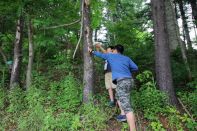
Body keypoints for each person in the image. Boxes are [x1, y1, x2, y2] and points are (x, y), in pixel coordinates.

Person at [88, 44, 138, 131]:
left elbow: (101, 54)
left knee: (127, 107)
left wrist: (91, 51)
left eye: (113, 50)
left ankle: (132, 129)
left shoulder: (112, 56)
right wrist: (126, 71)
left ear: (115, 50)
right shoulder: (126, 58)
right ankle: (122, 115)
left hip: (122, 81)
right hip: (129, 81)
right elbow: (135, 68)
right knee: (118, 96)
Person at [95, 43, 116, 107]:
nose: (107, 50)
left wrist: (100, 46)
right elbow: (99, 54)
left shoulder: (113, 54)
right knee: (109, 87)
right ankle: (112, 101)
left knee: (115, 86)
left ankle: (119, 99)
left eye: (108, 49)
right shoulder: (106, 56)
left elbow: (106, 53)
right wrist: (97, 48)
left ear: (112, 50)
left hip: (112, 72)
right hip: (106, 73)